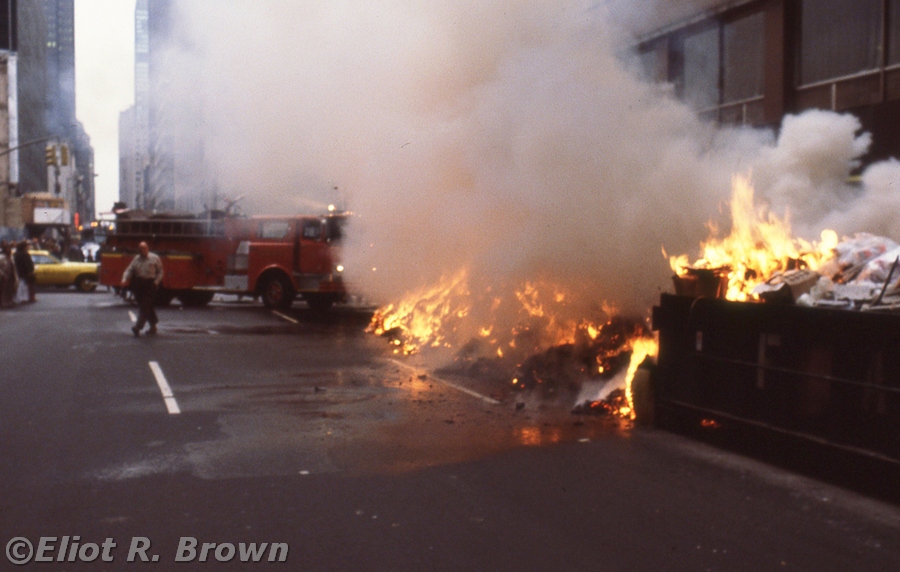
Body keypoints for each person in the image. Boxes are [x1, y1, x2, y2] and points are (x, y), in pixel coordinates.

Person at [122, 241, 164, 336]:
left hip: (150, 284)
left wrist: (156, 282)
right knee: (145, 305)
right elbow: (130, 270)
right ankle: (153, 326)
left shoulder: (154, 258)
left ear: (147, 248)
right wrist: (125, 279)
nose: (142, 251)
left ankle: (138, 327)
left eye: (144, 248)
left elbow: (160, 271)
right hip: (139, 284)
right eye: (140, 249)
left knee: (144, 306)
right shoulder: (136, 259)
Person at [0, 242, 17, 308]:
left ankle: (9, 301)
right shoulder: (1, 257)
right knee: (3, 290)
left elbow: (13, 267)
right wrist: (2, 274)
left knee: (10, 289)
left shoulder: (11, 257)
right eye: (7, 249)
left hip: (11, 275)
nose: (9, 250)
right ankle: (3, 302)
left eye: (9, 249)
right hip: (3, 276)